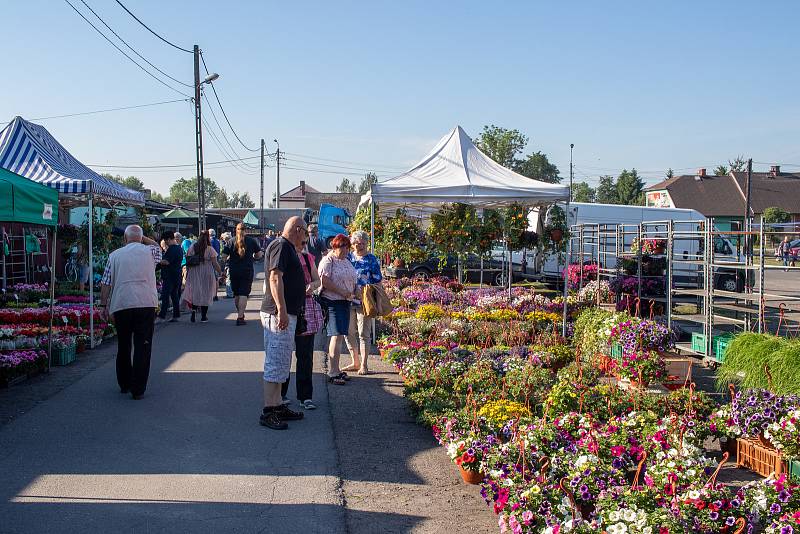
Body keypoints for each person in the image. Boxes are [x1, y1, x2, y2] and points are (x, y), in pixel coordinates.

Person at [98, 225, 162, 400]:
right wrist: (142, 238)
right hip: (145, 303)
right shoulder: (151, 252)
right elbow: (157, 244)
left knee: (124, 345)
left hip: (122, 303)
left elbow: (106, 283)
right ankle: (138, 389)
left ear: (124, 239)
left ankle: (124, 383)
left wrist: (103, 305)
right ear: (141, 238)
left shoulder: (114, 255)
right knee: (143, 345)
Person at [260, 216, 308, 430]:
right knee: (276, 361)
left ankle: (278, 404)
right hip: (278, 313)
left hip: (286, 313)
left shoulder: (286, 247)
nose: (306, 238)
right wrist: (282, 310)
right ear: (298, 229)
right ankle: (269, 410)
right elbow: (275, 277)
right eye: (305, 233)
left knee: (281, 362)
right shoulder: (281, 246)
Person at [281, 236, 322, 409]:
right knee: (284, 354)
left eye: (305, 243)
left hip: (306, 308)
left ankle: (305, 396)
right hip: (289, 307)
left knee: (305, 354)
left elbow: (317, 280)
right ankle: (280, 394)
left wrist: (312, 286)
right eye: (301, 242)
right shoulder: (284, 257)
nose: (303, 246)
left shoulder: (308, 258)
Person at [318, 233, 358, 386]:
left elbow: (353, 277)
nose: (346, 251)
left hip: (345, 301)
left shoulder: (346, 260)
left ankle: (336, 368)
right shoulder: (328, 260)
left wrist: (356, 290)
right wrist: (343, 292)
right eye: (344, 248)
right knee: (335, 335)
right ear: (335, 247)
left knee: (340, 335)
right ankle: (333, 372)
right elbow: (325, 281)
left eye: (348, 248)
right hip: (332, 302)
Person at [343, 230, 382, 375]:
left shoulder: (371, 259)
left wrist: (377, 303)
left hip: (364, 301)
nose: (359, 246)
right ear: (352, 244)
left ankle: (364, 364)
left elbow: (378, 282)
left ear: (366, 243)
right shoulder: (347, 257)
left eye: (362, 243)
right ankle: (355, 361)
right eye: (356, 243)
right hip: (347, 299)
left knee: (363, 333)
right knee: (348, 331)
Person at [224, 223, 263, 325]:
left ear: (236, 230)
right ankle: (240, 317)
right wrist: (253, 257)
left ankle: (240, 313)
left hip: (234, 271)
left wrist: (230, 259)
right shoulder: (251, 241)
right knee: (244, 294)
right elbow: (259, 255)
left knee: (237, 294)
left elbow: (224, 256)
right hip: (247, 270)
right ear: (246, 230)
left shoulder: (231, 241)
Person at [182, 230, 222, 322]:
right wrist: (220, 272)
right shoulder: (209, 249)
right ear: (208, 237)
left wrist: (187, 272)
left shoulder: (192, 247)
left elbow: (187, 258)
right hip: (206, 272)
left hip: (194, 271)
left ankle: (193, 312)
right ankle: (203, 316)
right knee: (206, 293)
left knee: (195, 292)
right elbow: (215, 263)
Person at [157, 230, 184, 322]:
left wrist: (156, 261)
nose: (165, 242)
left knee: (165, 296)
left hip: (169, 276)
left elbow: (166, 262)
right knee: (174, 295)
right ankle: (176, 315)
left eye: (165, 240)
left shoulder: (172, 249)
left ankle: (162, 316)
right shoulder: (179, 248)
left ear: (168, 239)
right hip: (177, 275)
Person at [209, 229, 222, 301]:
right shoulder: (217, 241)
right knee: (216, 278)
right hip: (217, 260)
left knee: (212, 279)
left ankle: (212, 295)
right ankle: (215, 294)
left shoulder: (210, 241)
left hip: (211, 262)